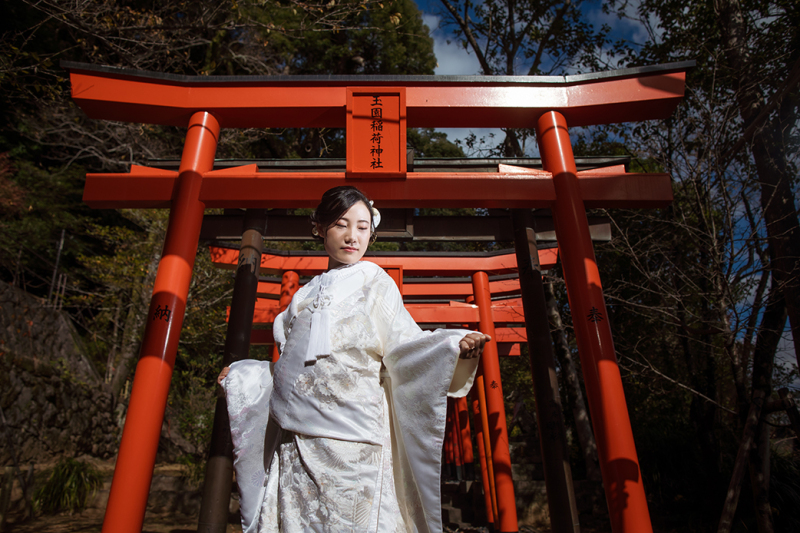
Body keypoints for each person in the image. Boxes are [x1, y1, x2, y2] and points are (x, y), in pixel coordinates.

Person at [218, 186, 490, 533]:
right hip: (297, 441)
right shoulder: (303, 296)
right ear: (319, 228)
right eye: (341, 224)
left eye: (362, 227)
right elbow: (288, 370)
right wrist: (242, 375)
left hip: (354, 439)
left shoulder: (376, 282)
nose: (352, 236)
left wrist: (451, 347)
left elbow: (405, 347)